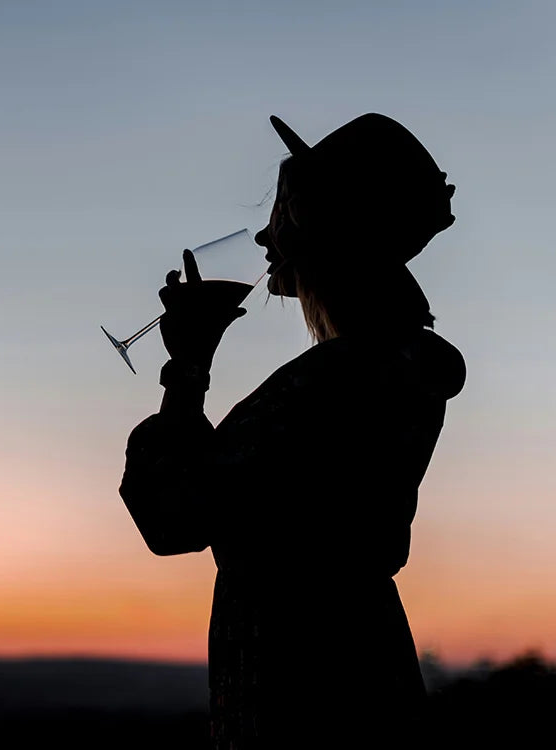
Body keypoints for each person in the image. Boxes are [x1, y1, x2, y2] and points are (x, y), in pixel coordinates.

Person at [118, 113, 465, 749]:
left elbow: (172, 518)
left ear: (325, 227)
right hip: (359, 671)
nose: (263, 238)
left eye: (283, 215)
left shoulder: (336, 381)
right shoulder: (399, 365)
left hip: (299, 692)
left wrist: (187, 370)